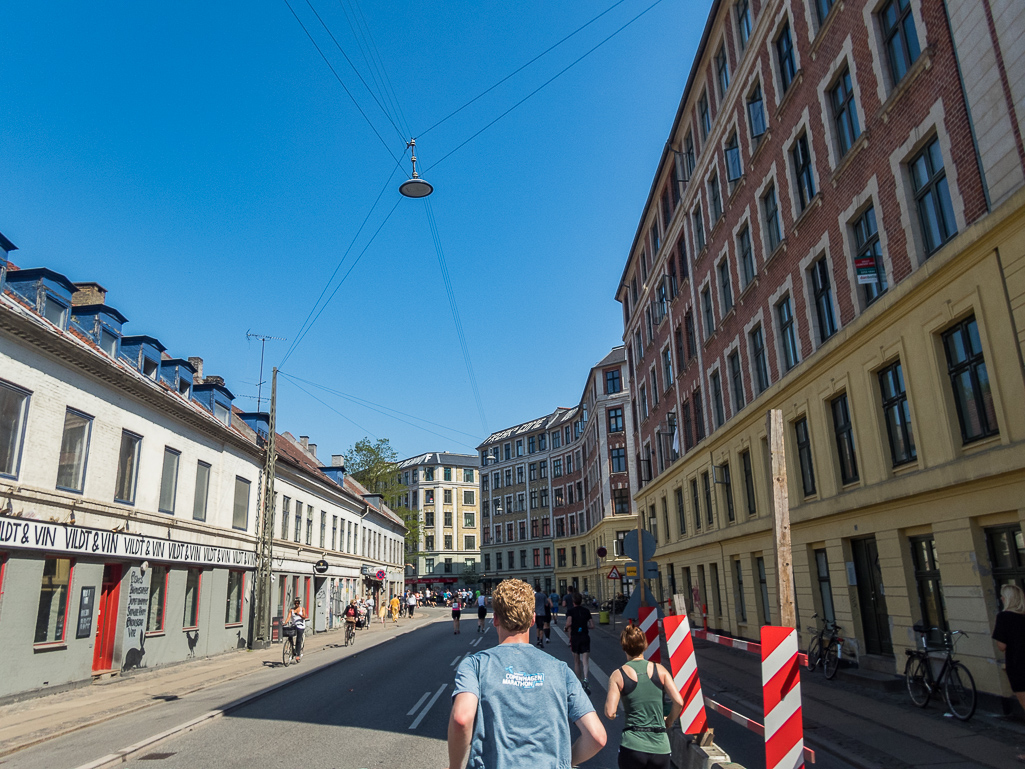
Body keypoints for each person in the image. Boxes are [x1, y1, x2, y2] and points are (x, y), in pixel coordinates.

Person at [447, 578, 607, 769]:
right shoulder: (560, 669)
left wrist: (455, 766)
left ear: (495, 619)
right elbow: (597, 737)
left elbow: (461, 718)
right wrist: (563, 761)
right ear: (532, 619)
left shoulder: (476, 665)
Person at [604, 625, 684, 769]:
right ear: (645, 646)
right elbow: (678, 701)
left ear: (624, 647)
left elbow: (610, 712)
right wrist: (669, 721)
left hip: (633, 746)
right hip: (661, 747)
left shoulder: (618, 675)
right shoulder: (660, 670)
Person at [994, 583, 1025, 761]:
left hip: (1019, 666)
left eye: (1003, 596)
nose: (1001, 599)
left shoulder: (1005, 617)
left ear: (1008, 599)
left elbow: (1002, 646)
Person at [565, 591, 595, 692]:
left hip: (575, 638)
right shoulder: (586, 611)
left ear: (573, 601)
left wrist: (566, 628)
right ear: (581, 601)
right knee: (585, 661)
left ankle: (579, 681)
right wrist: (585, 627)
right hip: (585, 637)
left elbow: (569, 623)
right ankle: (586, 679)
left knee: (577, 662)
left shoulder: (570, 611)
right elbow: (592, 625)